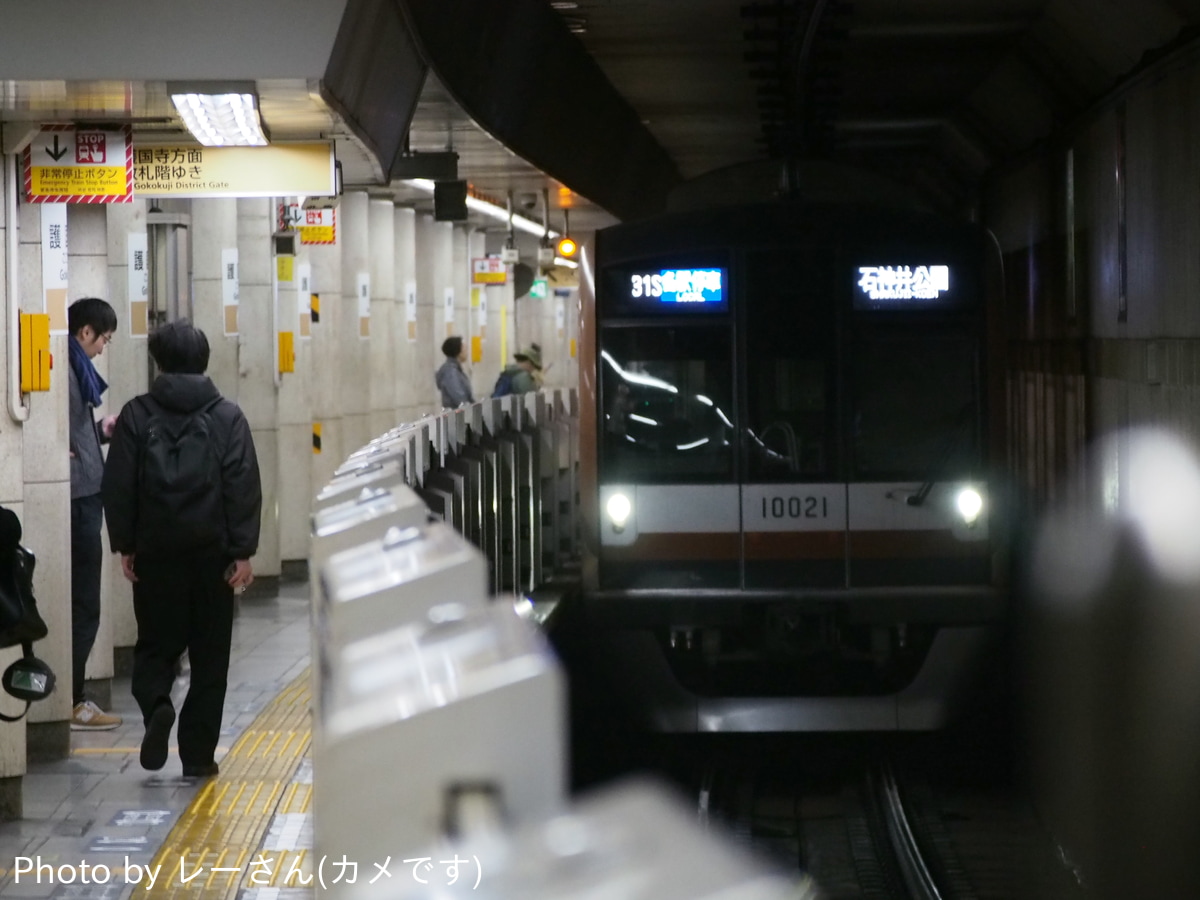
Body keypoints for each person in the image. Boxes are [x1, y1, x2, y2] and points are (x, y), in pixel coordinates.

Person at [101, 319, 261, 778]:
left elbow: (120, 485)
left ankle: (156, 709)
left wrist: (127, 545)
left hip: (156, 552)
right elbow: (242, 483)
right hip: (213, 557)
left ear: (160, 362)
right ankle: (197, 756)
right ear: (204, 361)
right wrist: (243, 551)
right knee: (210, 657)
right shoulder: (227, 415)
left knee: (154, 644)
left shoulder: (135, 415)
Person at [66, 297, 123, 731]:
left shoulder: (75, 367)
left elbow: (77, 434)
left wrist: (103, 431)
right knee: (85, 603)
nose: (103, 347)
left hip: (85, 492)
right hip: (79, 498)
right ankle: (75, 698)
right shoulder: (66, 367)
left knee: (84, 603)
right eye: (103, 338)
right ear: (86, 332)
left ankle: (73, 695)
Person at [435, 335, 474, 408]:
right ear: (458, 351)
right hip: (457, 416)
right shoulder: (450, 372)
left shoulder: (456, 370)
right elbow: (459, 397)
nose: (467, 352)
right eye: (465, 349)